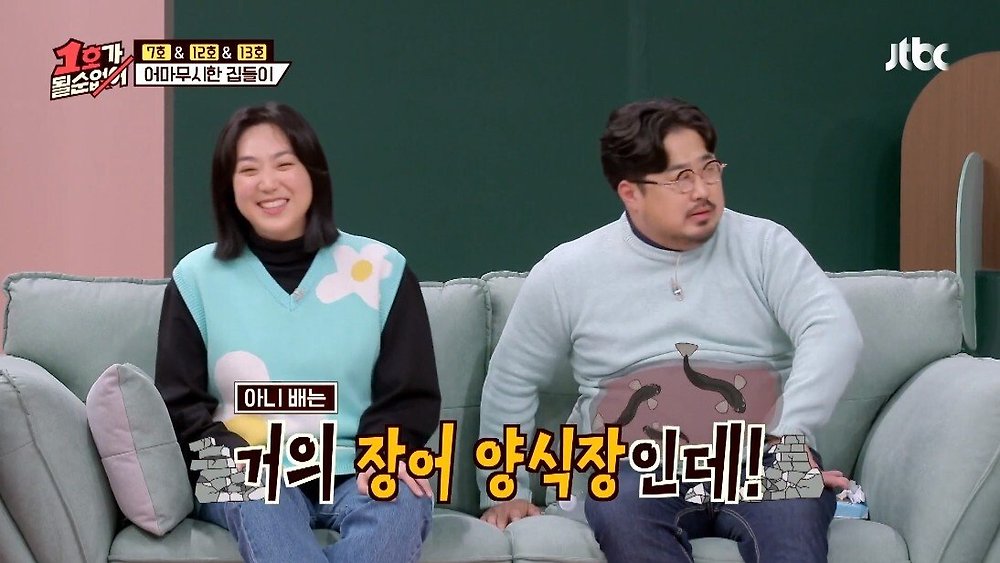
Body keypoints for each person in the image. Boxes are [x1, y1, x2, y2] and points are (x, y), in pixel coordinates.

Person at [477, 97, 862, 563]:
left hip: (765, 455)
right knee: (622, 510)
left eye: (709, 170)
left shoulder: (766, 246)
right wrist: (505, 491)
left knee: (794, 519)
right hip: (634, 465)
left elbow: (832, 329)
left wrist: (789, 435)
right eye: (681, 178)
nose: (702, 191)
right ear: (631, 193)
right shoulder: (567, 271)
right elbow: (512, 379)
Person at [155, 102, 441, 563]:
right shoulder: (195, 277)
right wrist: (239, 458)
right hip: (238, 464)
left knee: (402, 497)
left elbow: (409, 395)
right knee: (256, 495)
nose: (268, 183)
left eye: (284, 164)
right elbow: (178, 405)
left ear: (314, 173)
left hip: (356, 465)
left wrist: (387, 452)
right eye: (249, 170)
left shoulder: (382, 270)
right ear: (228, 187)